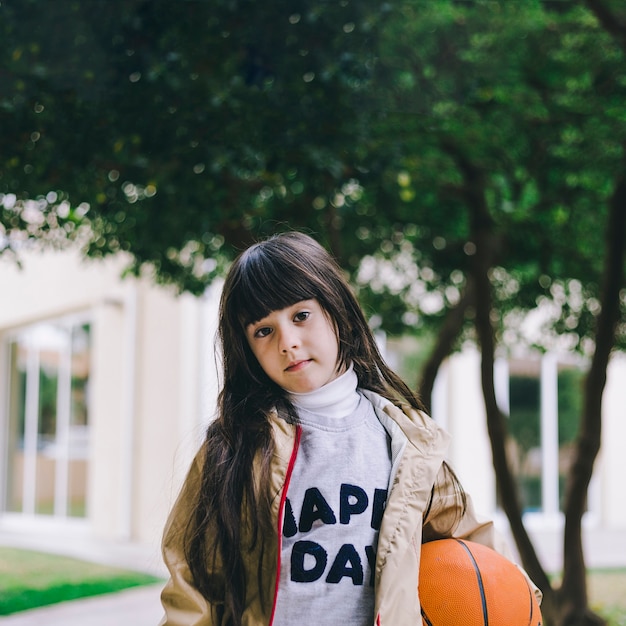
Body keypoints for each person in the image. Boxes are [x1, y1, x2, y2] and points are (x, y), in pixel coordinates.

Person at [158, 231, 537, 626]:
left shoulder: (408, 444)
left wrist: (524, 603)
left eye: (301, 316)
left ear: (337, 312)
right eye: (263, 331)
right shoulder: (234, 447)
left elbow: (478, 556)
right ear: (247, 349)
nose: (288, 342)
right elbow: (192, 585)